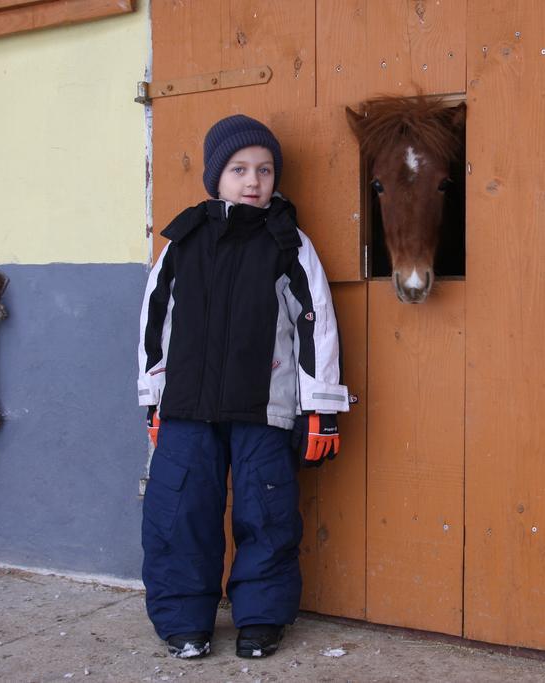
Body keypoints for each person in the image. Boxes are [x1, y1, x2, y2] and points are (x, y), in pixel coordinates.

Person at [136, 114, 349, 660]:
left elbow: (315, 324)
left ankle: (260, 619)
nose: (253, 181)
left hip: (264, 409)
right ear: (216, 176)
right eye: (238, 169)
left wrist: (320, 410)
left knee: (267, 512)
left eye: (265, 170)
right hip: (187, 409)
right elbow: (154, 323)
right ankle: (184, 621)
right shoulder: (183, 240)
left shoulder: (288, 243)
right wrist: (152, 400)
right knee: (179, 511)